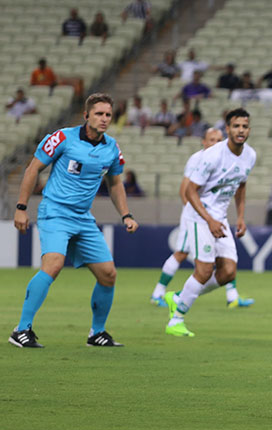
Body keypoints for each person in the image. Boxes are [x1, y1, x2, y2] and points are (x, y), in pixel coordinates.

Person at [8, 93, 139, 348]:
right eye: (99, 113)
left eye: (108, 115)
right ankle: (21, 329)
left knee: (108, 274)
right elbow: (33, 168)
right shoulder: (62, 138)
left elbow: (115, 183)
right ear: (86, 115)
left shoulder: (111, 147)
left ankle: (97, 333)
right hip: (55, 211)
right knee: (54, 265)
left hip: (82, 218)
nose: (104, 119)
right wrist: (21, 208)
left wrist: (126, 214)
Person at [164, 109, 257, 337]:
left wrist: (241, 217)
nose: (240, 130)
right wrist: (209, 220)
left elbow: (241, 185)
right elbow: (190, 191)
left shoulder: (250, 156)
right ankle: (176, 320)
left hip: (220, 218)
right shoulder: (213, 155)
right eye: (236, 126)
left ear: (249, 129)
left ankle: (178, 297)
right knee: (204, 271)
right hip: (200, 216)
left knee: (228, 272)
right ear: (228, 129)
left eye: (244, 126)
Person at [150, 128, 254, 309]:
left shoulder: (226, 157)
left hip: (214, 216)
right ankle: (158, 293)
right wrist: (196, 215)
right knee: (181, 253)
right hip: (196, 216)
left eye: (218, 139)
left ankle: (232, 295)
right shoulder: (197, 159)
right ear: (204, 142)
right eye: (211, 139)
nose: (215, 142)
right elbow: (185, 190)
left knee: (225, 257)